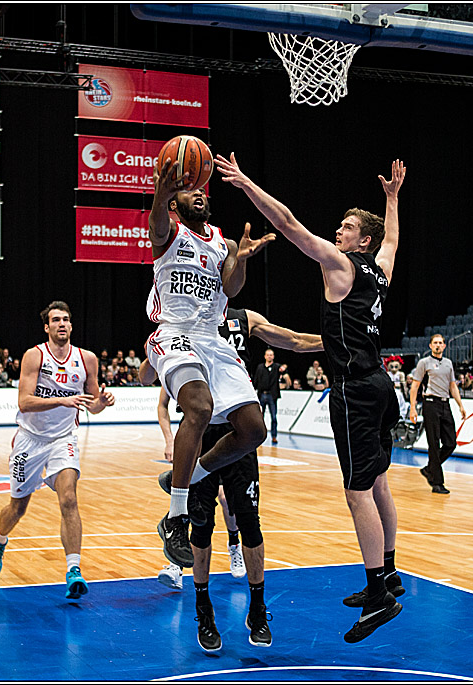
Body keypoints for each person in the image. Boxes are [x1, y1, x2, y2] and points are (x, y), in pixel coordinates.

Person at [216, 151, 407, 644]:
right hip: (381, 385)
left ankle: (378, 594)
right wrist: (392, 200)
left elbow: (288, 222)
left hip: (356, 392)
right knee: (380, 481)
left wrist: (245, 183)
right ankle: (387, 574)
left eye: (345, 227)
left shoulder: (340, 266)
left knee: (357, 492)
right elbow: (391, 240)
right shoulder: (380, 270)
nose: (337, 232)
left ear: (357, 241)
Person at [145, 306, 322, 650]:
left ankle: (257, 609)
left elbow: (294, 340)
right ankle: (203, 609)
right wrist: (158, 348)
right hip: (200, 434)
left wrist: (335, 340)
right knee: (201, 526)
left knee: (250, 524)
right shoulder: (180, 318)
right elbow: (146, 376)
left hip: (238, 433)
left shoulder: (243, 318)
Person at [144, 156, 273, 569]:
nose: (199, 193)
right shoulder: (167, 232)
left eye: (202, 189)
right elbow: (156, 217)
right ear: (175, 203)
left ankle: (188, 476)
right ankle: (176, 517)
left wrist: (243, 257)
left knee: (254, 430)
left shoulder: (223, 243)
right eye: (189, 190)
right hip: (174, 333)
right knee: (198, 408)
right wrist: (164, 187)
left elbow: (231, 287)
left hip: (212, 339)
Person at [0, 301, 114, 599]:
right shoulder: (35, 356)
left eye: (66, 319)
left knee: (69, 498)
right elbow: (24, 402)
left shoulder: (87, 359)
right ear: (47, 327)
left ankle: (73, 570)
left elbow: (91, 405)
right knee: (18, 508)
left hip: (63, 438)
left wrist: (102, 403)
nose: (62, 324)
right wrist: (61, 401)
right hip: (30, 439)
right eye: (56, 320)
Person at [409, 335, 468, 494]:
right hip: (430, 404)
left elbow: (453, 386)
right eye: (435, 343)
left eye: (440, 343)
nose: (438, 345)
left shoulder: (448, 363)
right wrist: (413, 408)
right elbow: (415, 386)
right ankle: (437, 483)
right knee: (433, 443)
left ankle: (430, 469)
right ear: (430, 345)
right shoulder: (424, 363)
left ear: (444, 346)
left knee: (451, 443)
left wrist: (460, 405)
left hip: (445, 403)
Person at [252, 349, 281, 444]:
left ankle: (274, 436)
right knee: (260, 417)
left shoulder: (276, 367)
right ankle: (259, 436)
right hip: (261, 395)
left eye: (271, 355)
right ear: (265, 356)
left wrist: (284, 368)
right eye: (268, 355)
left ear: (273, 356)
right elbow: (255, 381)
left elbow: (284, 370)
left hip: (272, 395)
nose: (269, 356)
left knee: (273, 417)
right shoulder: (260, 367)